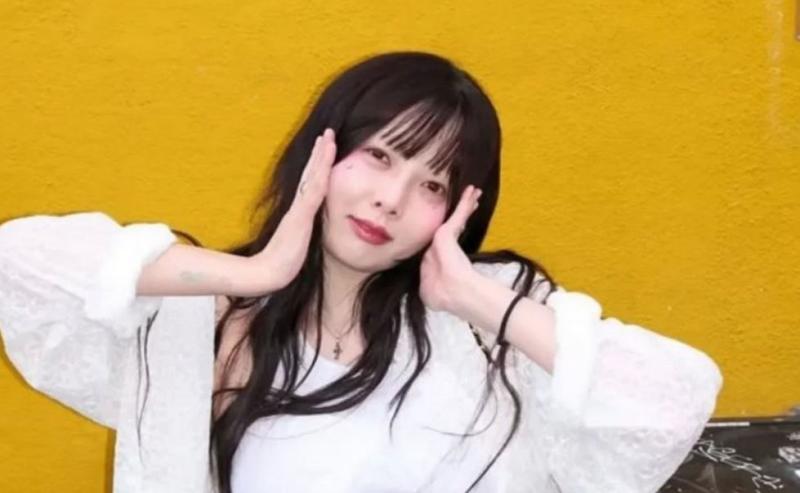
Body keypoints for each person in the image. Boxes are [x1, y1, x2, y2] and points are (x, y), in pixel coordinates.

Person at [0, 51, 723, 493]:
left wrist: (476, 298)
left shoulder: (489, 320)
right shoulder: (219, 320)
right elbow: (20, 265)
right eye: (379, 156)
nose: (391, 199)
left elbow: (669, 403)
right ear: (325, 150)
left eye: (432, 184)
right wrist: (259, 271)